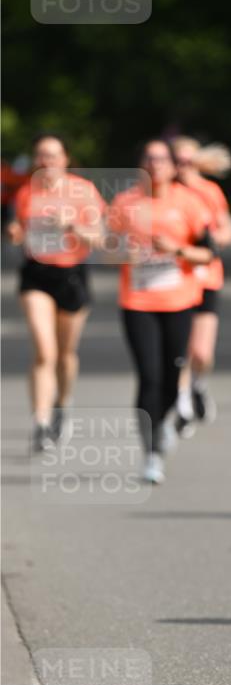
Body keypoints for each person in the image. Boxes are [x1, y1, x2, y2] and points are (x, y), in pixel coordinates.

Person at [108, 139, 213, 484]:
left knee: (171, 376)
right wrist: (125, 254)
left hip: (179, 302)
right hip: (138, 303)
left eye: (161, 159)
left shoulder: (189, 202)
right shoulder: (126, 203)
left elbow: (208, 254)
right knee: (149, 376)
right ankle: (151, 451)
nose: (154, 165)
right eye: (148, 159)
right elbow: (107, 251)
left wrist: (178, 249)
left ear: (171, 166)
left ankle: (164, 422)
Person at [7, 134, 105, 452]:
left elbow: (101, 239)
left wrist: (72, 225)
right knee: (44, 352)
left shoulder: (83, 191)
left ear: (65, 159)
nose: (46, 162)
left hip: (72, 275)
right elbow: (20, 229)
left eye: (52, 156)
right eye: (40, 155)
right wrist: (16, 233)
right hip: (37, 275)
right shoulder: (25, 193)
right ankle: (40, 421)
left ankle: (63, 403)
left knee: (65, 355)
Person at [172, 137, 231, 433]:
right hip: (175, 280)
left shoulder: (209, 191)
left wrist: (209, 241)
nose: (182, 167)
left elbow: (226, 231)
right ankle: (181, 404)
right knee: (181, 349)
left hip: (207, 276)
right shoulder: (165, 192)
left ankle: (198, 384)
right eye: (177, 161)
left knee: (202, 353)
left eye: (187, 161)